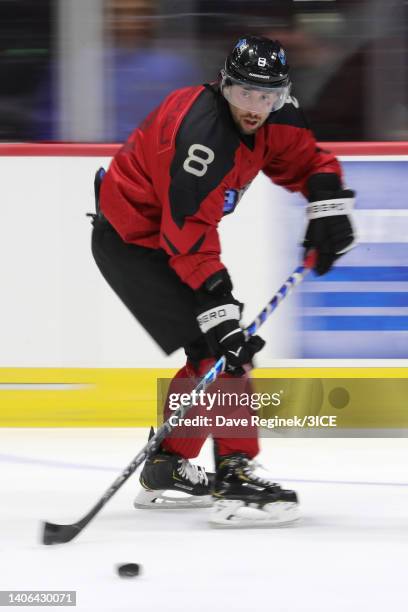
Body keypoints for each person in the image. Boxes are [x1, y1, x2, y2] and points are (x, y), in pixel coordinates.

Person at [91, 35, 356, 527]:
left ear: (281, 93)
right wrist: (221, 309)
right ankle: (234, 474)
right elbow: (185, 237)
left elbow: (305, 160)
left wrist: (327, 204)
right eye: (243, 95)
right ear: (224, 85)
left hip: (168, 240)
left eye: (267, 96)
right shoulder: (200, 140)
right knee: (223, 347)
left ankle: (169, 465)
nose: (255, 108)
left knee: (212, 348)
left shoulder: (278, 113)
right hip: (134, 243)